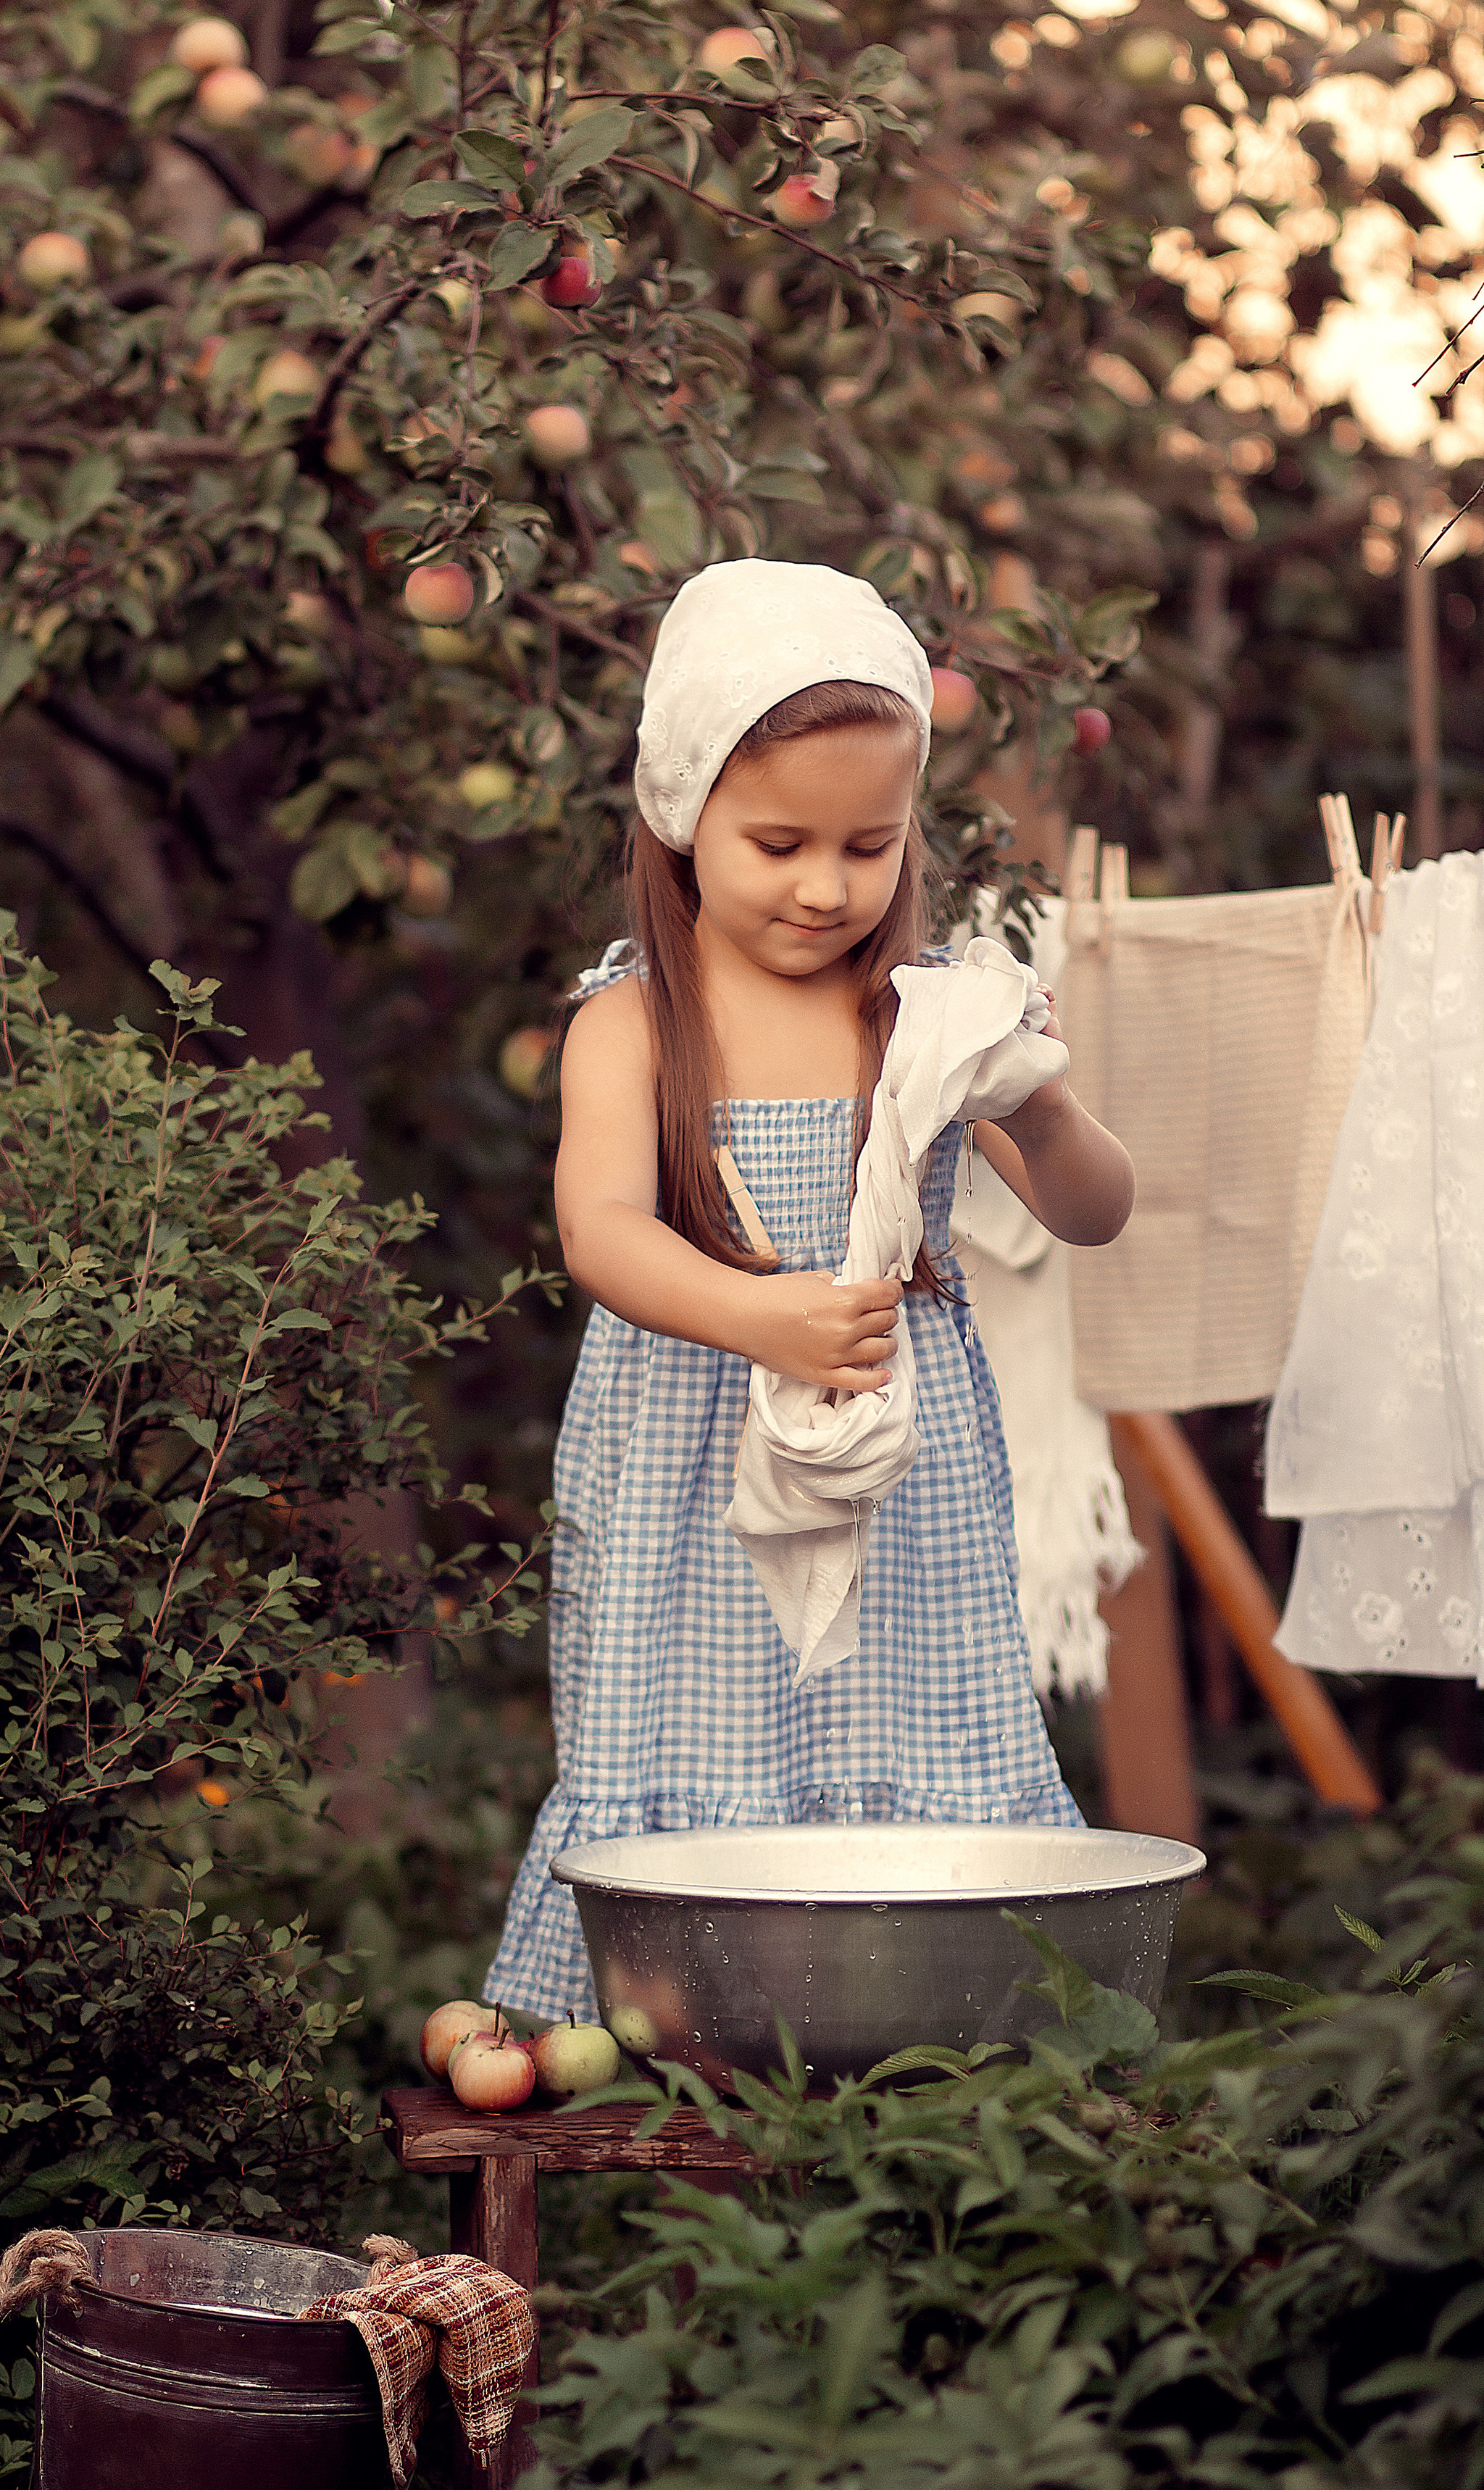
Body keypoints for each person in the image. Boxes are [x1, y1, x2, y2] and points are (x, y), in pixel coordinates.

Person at [483, 559, 1135, 2024]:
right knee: (672, 1697)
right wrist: (753, 1313)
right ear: (680, 815)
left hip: (894, 1461)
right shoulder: (633, 1019)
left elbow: (1092, 1215)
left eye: (866, 843)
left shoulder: (926, 1006)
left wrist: (1036, 1110)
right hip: (686, 1454)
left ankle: (924, 2007)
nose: (824, 886)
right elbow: (598, 1229)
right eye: (776, 841)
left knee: (909, 1696)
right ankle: (671, 2008)